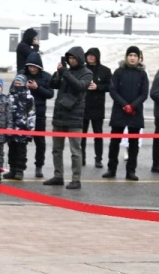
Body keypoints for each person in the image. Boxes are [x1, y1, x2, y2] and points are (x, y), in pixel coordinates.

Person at [45, 46, 91, 190]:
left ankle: (76, 179)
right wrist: (58, 73)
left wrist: (65, 73)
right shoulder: (66, 71)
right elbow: (52, 84)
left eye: (74, 58)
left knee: (75, 151)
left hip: (74, 117)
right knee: (56, 149)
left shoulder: (87, 73)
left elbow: (80, 86)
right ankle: (58, 176)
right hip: (60, 115)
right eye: (69, 58)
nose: (71, 61)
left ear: (80, 58)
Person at [104, 45, 149, 181]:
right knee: (115, 141)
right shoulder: (119, 72)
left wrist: (133, 106)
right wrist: (124, 105)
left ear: (139, 58)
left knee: (133, 143)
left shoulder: (142, 74)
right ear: (126, 57)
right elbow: (113, 90)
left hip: (135, 112)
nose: (132, 58)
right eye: (130, 55)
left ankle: (131, 171)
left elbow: (144, 93)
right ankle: (111, 169)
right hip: (120, 111)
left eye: (135, 56)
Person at [23, 51, 54, 178]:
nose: (32, 69)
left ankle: (39, 166)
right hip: (23, 114)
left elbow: (50, 94)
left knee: (40, 142)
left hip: (39, 114)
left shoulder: (46, 77)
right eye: (30, 66)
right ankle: (19, 167)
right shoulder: (22, 75)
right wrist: (23, 87)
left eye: (35, 67)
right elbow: (13, 90)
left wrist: (37, 88)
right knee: (21, 142)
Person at [81, 48, 111, 168]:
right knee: (82, 134)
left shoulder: (105, 70)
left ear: (97, 57)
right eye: (88, 55)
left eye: (93, 55)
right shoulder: (82, 69)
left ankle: (98, 158)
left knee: (98, 134)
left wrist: (98, 87)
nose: (90, 57)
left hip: (97, 106)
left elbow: (110, 86)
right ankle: (81, 157)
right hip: (83, 106)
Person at [6, 74, 36, 181]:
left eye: (20, 83)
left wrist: (30, 130)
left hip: (23, 129)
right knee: (11, 150)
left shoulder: (29, 98)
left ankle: (20, 170)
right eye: (16, 83)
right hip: (11, 129)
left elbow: (31, 114)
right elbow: (6, 113)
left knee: (21, 151)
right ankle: (12, 169)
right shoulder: (10, 97)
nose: (18, 85)